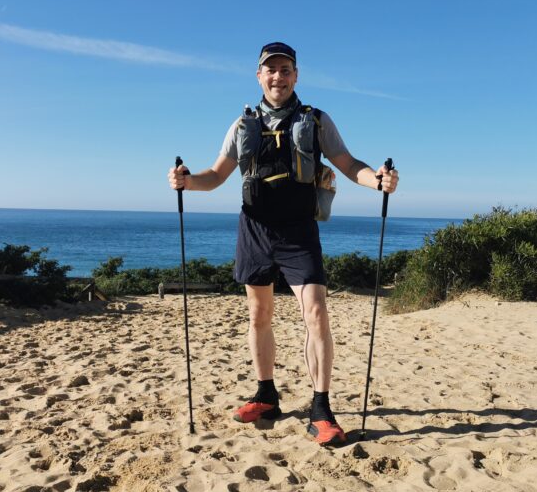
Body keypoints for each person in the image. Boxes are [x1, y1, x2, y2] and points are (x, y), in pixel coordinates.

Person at [167, 42, 398, 447]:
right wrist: (186, 181)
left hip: (298, 230)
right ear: (259, 76)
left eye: (285, 69)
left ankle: (321, 408)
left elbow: (346, 163)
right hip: (254, 227)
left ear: (296, 75)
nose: (278, 76)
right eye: (270, 70)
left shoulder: (316, 120)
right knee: (259, 314)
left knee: (316, 313)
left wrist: (377, 180)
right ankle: (266, 394)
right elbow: (217, 174)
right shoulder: (242, 125)